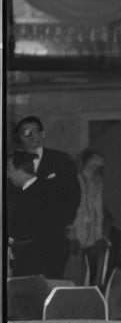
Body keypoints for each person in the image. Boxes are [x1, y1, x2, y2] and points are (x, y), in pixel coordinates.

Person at [13, 115, 81, 277]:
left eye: (36, 131)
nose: (32, 136)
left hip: (53, 238)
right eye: (26, 133)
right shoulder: (12, 163)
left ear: (43, 134)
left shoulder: (61, 161)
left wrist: (61, 224)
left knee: (51, 283)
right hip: (22, 241)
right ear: (19, 138)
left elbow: (72, 197)